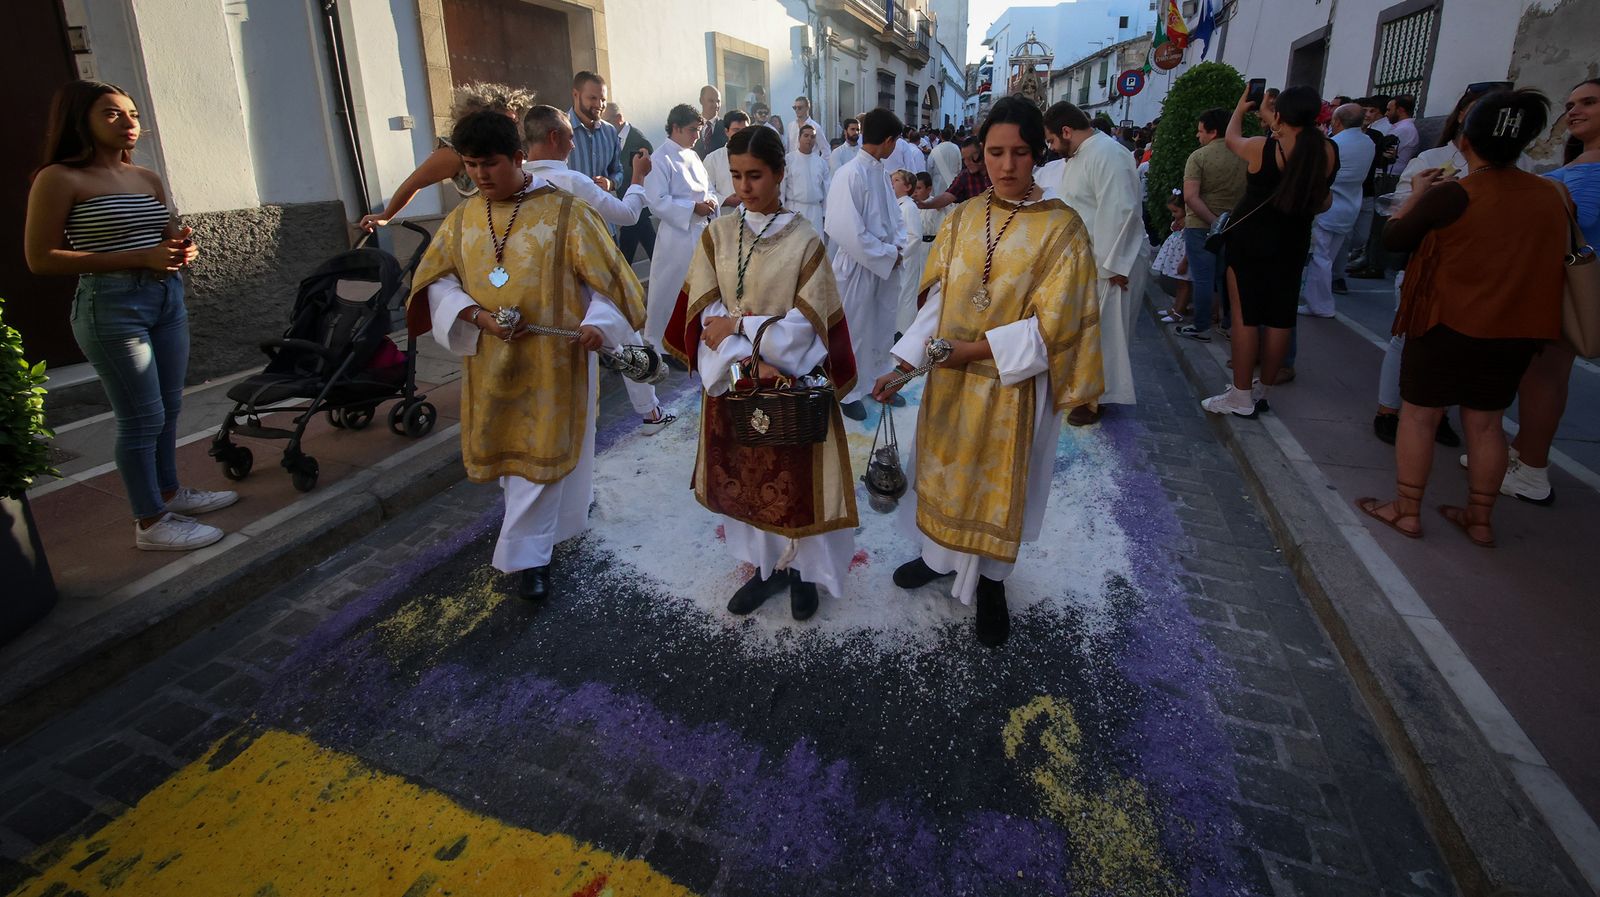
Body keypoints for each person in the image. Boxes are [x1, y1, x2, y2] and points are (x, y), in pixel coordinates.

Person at [872, 96, 1102, 647]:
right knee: (947, 472)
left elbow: (1053, 327)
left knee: (999, 488)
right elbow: (939, 304)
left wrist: (968, 353)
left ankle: (993, 583)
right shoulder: (966, 218)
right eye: (995, 152)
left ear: (1038, 151)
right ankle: (937, 557)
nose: (1004, 165)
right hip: (951, 378)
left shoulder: (1063, 231)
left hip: (1014, 386)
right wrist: (904, 365)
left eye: (1018, 153)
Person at [405, 111, 646, 600]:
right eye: (470, 166)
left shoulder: (566, 213)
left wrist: (598, 327)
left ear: (519, 157)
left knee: (547, 452)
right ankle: (561, 527)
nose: (479, 176)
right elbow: (434, 280)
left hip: (556, 361)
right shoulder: (464, 217)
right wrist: (473, 315)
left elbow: (613, 283)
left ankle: (528, 557)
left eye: (489, 164)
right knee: (518, 457)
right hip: (490, 359)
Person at [24, 79, 234, 551]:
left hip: (166, 300)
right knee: (141, 417)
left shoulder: (145, 178)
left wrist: (182, 246)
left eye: (133, 114)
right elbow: (41, 258)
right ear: (82, 120)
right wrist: (140, 258)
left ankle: (169, 492)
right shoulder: (58, 178)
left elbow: (165, 234)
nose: (129, 123)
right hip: (111, 306)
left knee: (169, 406)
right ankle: (151, 522)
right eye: (113, 114)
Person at [663, 126, 858, 620]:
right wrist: (745, 355)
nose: (745, 187)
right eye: (736, 176)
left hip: (786, 385)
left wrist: (741, 326)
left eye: (755, 175)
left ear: (779, 175)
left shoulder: (805, 241)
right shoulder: (718, 235)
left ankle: (802, 573)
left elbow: (807, 329)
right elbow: (704, 321)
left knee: (795, 484)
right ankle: (764, 568)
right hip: (737, 382)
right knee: (748, 483)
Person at [1356, 90, 1564, 548]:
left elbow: (1393, 238)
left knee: (1419, 415)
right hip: (1515, 326)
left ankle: (1407, 509)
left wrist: (1416, 196)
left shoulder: (1454, 195)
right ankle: (1480, 518)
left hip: (1446, 320)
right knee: (1487, 423)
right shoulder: (1552, 195)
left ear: (1466, 141)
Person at [1371, 82, 1531, 446]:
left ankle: (1436, 414)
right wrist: (1423, 198)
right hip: (1429, 271)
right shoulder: (1431, 161)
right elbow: (1396, 223)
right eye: (1476, 110)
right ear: (1462, 115)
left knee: (1466, 368)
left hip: (1490, 279)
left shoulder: (1523, 173)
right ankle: (1389, 410)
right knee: (1408, 340)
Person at [521, 106, 675, 436]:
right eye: (569, 137)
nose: (574, 144)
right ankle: (647, 413)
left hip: (529, 286)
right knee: (623, 336)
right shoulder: (571, 181)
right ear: (553, 138)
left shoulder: (517, 180)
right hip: (579, 283)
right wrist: (637, 177)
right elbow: (627, 215)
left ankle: (647, 411)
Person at [1201, 85, 1336, 417]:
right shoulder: (1328, 151)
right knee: (1280, 318)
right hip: (1293, 243)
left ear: (1280, 115)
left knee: (1246, 318)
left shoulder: (1265, 148)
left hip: (1251, 242)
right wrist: (1268, 115)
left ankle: (1240, 395)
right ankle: (1262, 390)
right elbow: (1323, 200)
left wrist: (1239, 109)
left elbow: (1232, 138)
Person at [1497, 78, 1600, 504]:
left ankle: (1532, 469)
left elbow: (1572, 221)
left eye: (1589, 102)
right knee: (1542, 375)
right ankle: (1522, 455)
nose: (1574, 110)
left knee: (1544, 376)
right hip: (1561, 280)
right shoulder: (1585, 160)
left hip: (1566, 283)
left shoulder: (1593, 169)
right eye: (1571, 103)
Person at [1037, 101, 1149, 426]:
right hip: (1090, 262)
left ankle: (1096, 400)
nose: (1052, 147)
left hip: (1112, 264)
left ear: (1067, 131)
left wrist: (1115, 266)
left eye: (1052, 140)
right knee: (1087, 332)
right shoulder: (1080, 155)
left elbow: (1122, 211)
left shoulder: (1108, 154)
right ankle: (1085, 390)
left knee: (1105, 336)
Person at [357, 82, 535, 231]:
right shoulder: (454, 153)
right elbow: (415, 182)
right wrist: (386, 216)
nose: (511, 127)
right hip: (482, 231)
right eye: (506, 121)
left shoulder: (514, 147)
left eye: (514, 122)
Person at [825, 108, 908, 421]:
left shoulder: (881, 173)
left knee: (883, 326)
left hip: (885, 263)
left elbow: (895, 216)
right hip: (858, 266)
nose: (895, 147)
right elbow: (844, 228)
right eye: (895, 141)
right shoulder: (849, 174)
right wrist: (887, 254)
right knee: (856, 330)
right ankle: (848, 389)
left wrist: (898, 246)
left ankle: (879, 382)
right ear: (887, 141)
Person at [642, 105, 719, 351]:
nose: (696, 136)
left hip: (700, 232)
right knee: (671, 291)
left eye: (698, 130)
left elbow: (709, 188)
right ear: (675, 127)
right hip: (676, 237)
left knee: (699, 288)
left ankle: (693, 338)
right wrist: (692, 208)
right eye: (692, 130)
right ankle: (664, 344)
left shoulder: (693, 156)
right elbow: (656, 201)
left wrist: (711, 202)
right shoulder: (660, 158)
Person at [1176, 107, 1247, 341]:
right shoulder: (1245, 153)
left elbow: (1190, 197)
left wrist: (1214, 221)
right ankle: (1228, 324)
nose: (1198, 136)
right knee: (1227, 277)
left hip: (1201, 225)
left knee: (1203, 278)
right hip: (1235, 224)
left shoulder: (1199, 157)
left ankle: (1201, 326)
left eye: (1201, 131)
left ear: (1213, 131)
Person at [1298, 103, 1375, 318]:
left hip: (1329, 206)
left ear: (1337, 122)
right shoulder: (1367, 142)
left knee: (1320, 258)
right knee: (1327, 257)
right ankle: (1319, 301)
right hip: (1350, 206)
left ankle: (1319, 304)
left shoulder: (1335, 143)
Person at [604, 101, 656, 263]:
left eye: (607, 122)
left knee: (629, 251)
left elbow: (643, 171)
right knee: (643, 246)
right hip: (628, 204)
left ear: (618, 118)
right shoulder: (615, 139)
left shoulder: (639, 141)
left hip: (637, 204)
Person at [567, 71, 622, 194]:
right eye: (593, 98)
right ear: (576, 95)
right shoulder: (559, 130)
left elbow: (618, 171)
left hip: (602, 210)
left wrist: (611, 183)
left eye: (603, 99)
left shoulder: (610, 132)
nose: (599, 105)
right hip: (571, 210)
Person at [891, 169, 927, 333]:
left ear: (907, 186)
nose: (893, 183)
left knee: (906, 297)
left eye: (897, 180)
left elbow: (915, 236)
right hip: (898, 260)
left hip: (906, 260)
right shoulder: (898, 205)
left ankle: (904, 332)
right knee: (898, 296)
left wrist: (901, 255)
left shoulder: (909, 207)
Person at [918, 138, 991, 212]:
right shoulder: (965, 176)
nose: (967, 163)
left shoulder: (996, 171)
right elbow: (947, 196)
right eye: (964, 159)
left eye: (971, 158)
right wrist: (926, 204)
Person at [782, 124, 830, 235]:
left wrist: (825, 214)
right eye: (806, 135)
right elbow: (782, 188)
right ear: (799, 138)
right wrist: (782, 212)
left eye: (812, 137)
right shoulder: (788, 160)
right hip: (794, 210)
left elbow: (826, 189)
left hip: (816, 211)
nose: (809, 139)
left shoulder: (821, 163)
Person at [1154, 192, 1192, 322]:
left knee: (1183, 284)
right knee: (1179, 283)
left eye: (1175, 211)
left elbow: (1190, 243)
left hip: (1183, 257)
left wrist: (1185, 262)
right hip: (1177, 256)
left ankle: (1179, 312)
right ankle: (1176, 307)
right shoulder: (1179, 222)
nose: (1173, 215)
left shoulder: (1189, 224)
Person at [703, 111, 749, 217]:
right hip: (725, 219)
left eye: (745, 130)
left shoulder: (758, 157)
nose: (741, 134)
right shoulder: (713, 158)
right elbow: (705, 191)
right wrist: (726, 201)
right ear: (726, 131)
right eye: (736, 130)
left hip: (753, 219)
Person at [786, 96, 829, 160]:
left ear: (807, 108)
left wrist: (818, 163)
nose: (796, 110)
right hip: (793, 165)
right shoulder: (790, 126)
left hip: (810, 165)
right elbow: (787, 148)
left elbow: (826, 150)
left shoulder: (815, 127)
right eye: (794, 108)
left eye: (799, 108)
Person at [693, 85, 727, 158]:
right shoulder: (691, 126)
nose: (716, 105)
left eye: (718, 101)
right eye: (711, 101)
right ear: (701, 100)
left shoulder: (726, 127)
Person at [928, 130, 962, 194]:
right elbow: (959, 166)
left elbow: (929, 168)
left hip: (938, 183)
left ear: (940, 136)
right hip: (953, 182)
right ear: (951, 136)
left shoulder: (935, 150)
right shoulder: (956, 148)